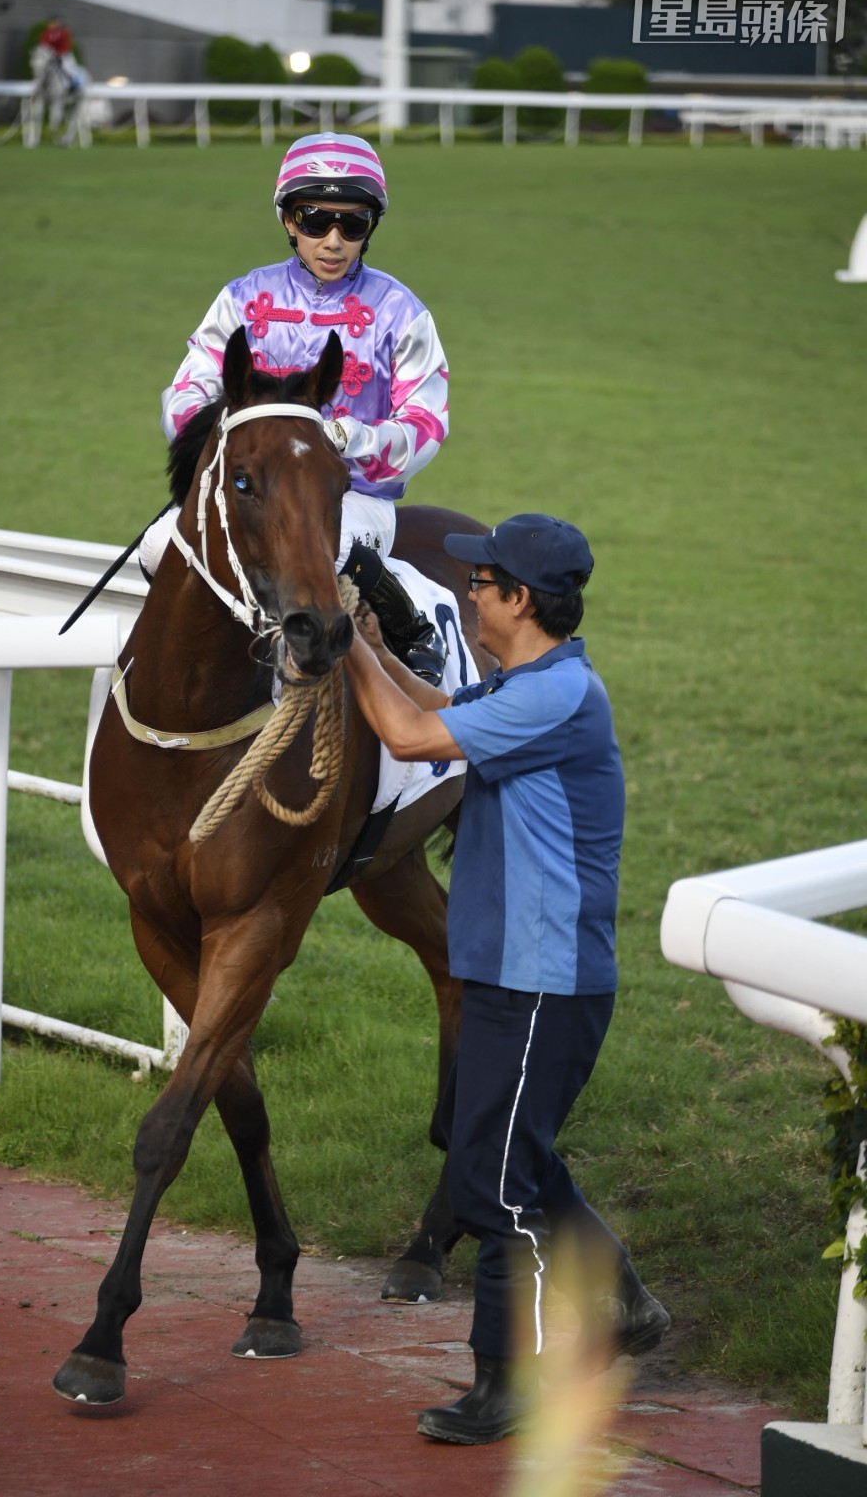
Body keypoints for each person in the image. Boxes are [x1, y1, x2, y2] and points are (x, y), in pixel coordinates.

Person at [343, 512, 670, 1445]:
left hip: (543, 982)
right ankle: (624, 1305)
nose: (471, 593)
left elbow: (408, 740)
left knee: (492, 1185)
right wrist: (367, 644)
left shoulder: (556, 696)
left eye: (482, 583)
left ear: (521, 600)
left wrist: (343, 644)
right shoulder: (529, 685)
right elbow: (436, 716)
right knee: (515, 1163)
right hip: (511, 973)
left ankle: (508, 1383)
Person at [140, 131, 450, 680]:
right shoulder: (241, 298)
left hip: (354, 494)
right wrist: (227, 438)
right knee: (159, 544)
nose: (333, 241)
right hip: (252, 487)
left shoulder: (402, 311)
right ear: (289, 221)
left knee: (323, 545)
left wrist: (354, 440)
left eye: (351, 225)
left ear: (369, 228)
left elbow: (425, 423)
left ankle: (409, 626)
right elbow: (187, 394)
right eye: (314, 221)